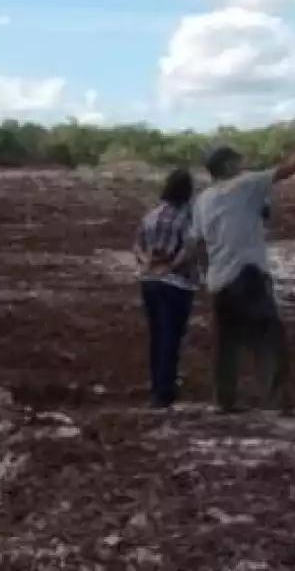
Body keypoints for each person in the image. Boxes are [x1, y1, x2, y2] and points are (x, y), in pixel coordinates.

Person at [179, 143, 295, 413]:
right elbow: (288, 169)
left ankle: (224, 401)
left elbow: (196, 243)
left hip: (219, 280)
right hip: (248, 273)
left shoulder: (202, 200)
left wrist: (204, 276)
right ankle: (277, 401)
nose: (243, 164)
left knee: (225, 344)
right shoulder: (247, 184)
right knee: (268, 338)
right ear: (228, 166)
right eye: (238, 161)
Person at [134, 168, 199, 409]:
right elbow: (190, 249)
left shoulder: (151, 215)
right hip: (177, 283)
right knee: (172, 338)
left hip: (149, 281)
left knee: (157, 336)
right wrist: (171, 266)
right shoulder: (188, 217)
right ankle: (164, 391)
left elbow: (137, 245)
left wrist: (147, 264)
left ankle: (158, 386)